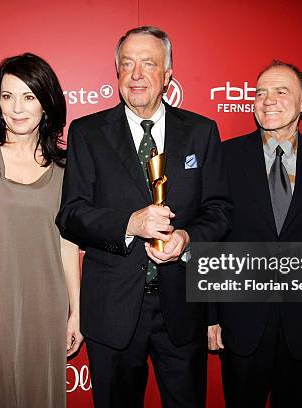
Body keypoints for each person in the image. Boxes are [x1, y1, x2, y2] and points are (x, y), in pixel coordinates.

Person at [56, 26, 231, 408]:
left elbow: (219, 211)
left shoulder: (202, 132)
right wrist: (129, 225)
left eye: (148, 64)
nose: (136, 74)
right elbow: (70, 215)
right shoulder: (87, 132)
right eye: (127, 64)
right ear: (117, 72)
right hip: (112, 309)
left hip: (182, 308)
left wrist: (186, 239)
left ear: (167, 74)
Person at [210, 61, 302, 407]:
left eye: (280, 91)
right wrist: (210, 315)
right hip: (241, 321)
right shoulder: (226, 156)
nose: (268, 100)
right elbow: (211, 236)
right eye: (260, 92)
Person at [0, 53, 82, 408]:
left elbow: (68, 246)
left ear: (47, 104)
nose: (17, 108)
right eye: (7, 96)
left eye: (28, 97)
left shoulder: (66, 170)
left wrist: (76, 312)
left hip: (46, 306)